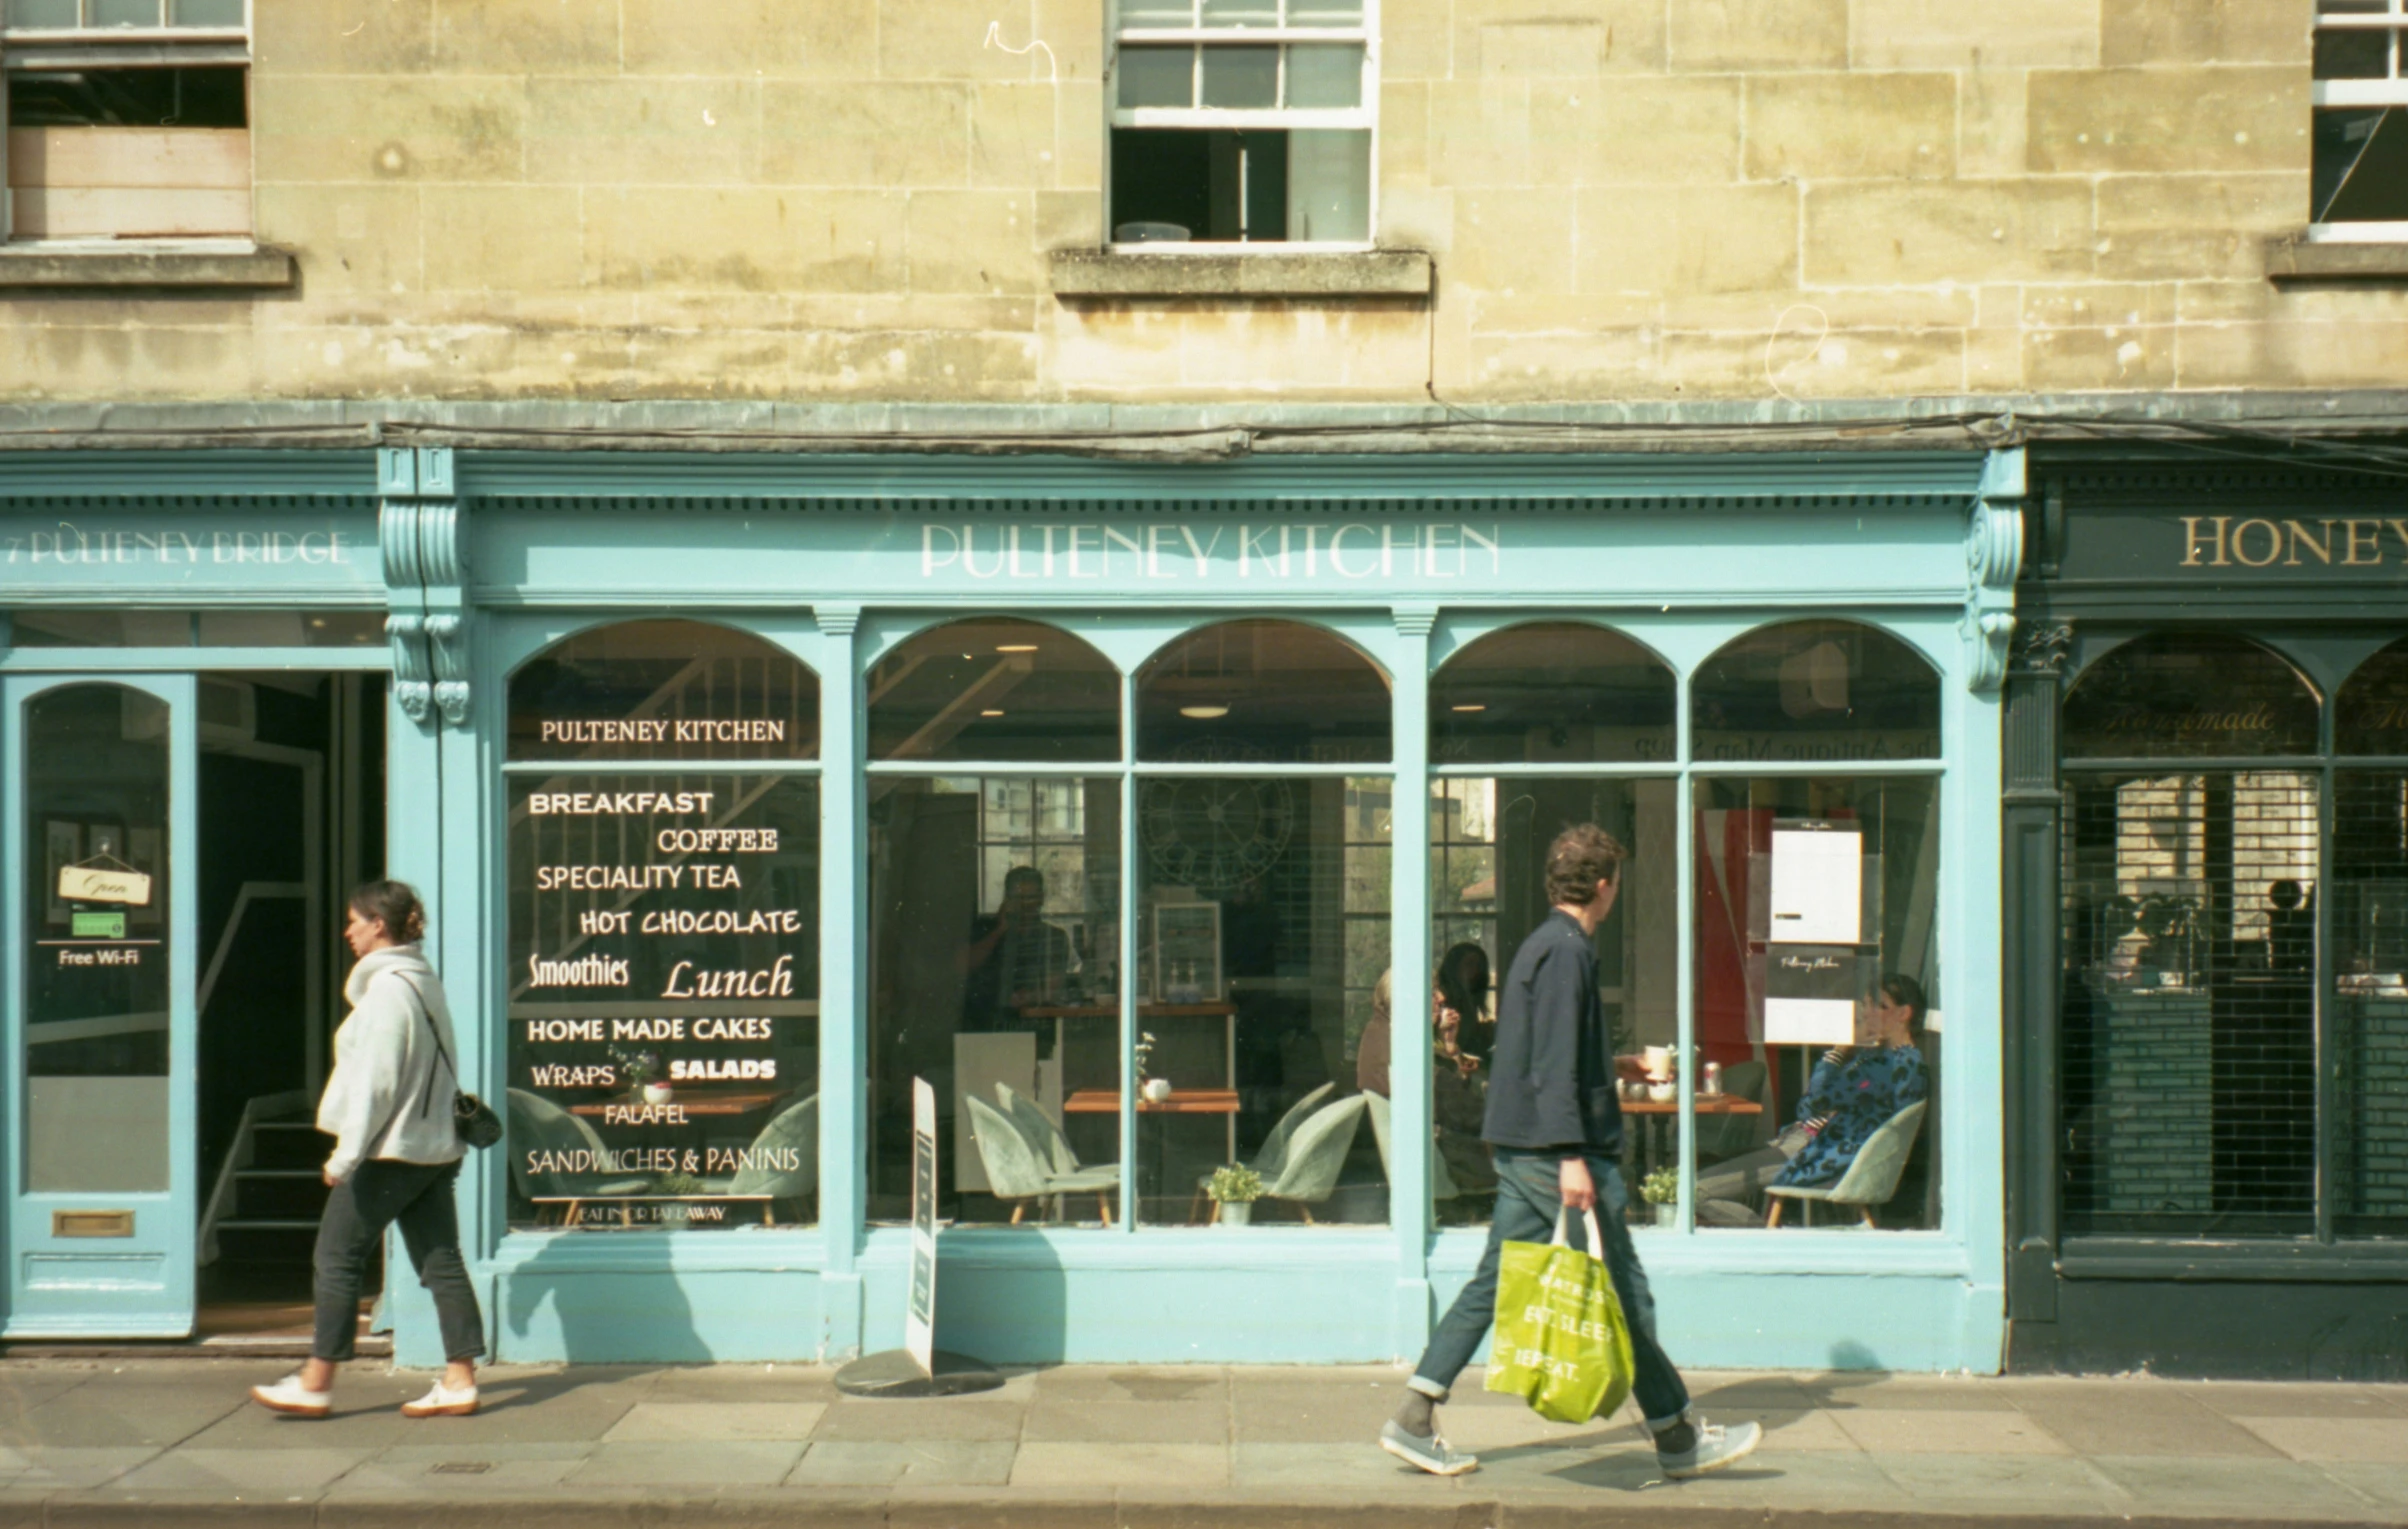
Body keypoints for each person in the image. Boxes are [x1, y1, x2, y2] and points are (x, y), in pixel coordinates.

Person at [1380, 825, 1760, 1479]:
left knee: (1491, 1283)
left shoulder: (1542, 947)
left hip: (1528, 1148)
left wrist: (1617, 1063)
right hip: (1556, 1153)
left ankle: (1415, 1414)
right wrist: (1571, 1156)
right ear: (1605, 885)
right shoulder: (1568, 951)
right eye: (1617, 882)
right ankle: (1677, 1437)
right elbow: (1552, 1063)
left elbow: (1533, 1055)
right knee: (1622, 1292)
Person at [250, 880, 485, 1420]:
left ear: (380, 924)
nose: (347, 931)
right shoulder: (423, 983)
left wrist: (344, 1156)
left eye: (355, 921)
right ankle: (460, 1379)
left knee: (335, 1257)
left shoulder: (387, 992)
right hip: (433, 1147)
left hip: (389, 1152)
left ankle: (317, 1379)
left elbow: (377, 1086)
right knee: (441, 1260)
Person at [1696, 975, 1931, 1215]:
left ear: (1904, 1014)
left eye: (1879, 1006)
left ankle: (1768, 1243)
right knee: (1702, 1181)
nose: (1868, 1012)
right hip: (1814, 1145)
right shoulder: (1886, 1059)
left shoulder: (1891, 1066)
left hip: (1815, 1154)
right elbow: (1819, 1104)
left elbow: (1812, 1105)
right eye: (1866, 1004)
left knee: (1696, 1190)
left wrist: (1839, 1049)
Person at [960, 866, 1075, 1054]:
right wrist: (1000, 930)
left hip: (1035, 1027)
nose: (1025, 905)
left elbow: (1055, 986)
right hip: (984, 1027)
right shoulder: (986, 930)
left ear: (1042, 898)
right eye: (1018, 898)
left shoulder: (1054, 936)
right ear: (1007, 899)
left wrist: (1030, 996)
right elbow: (963, 966)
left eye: (1031, 898)